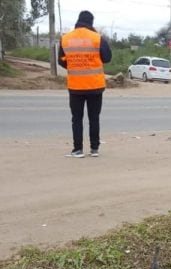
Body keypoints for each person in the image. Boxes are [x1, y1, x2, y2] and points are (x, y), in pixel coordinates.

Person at [59, 10, 112, 158]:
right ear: (91, 22)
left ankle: (78, 149)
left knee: (77, 118)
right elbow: (107, 58)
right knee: (94, 118)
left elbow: (61, 62)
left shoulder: (66, 39)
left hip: (75, 86)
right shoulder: (97, 38)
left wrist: (75, 66)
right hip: (95, 85)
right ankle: (94, 149)